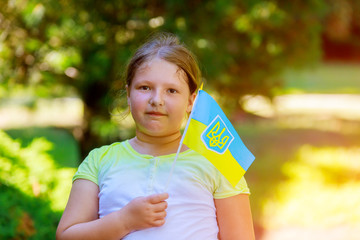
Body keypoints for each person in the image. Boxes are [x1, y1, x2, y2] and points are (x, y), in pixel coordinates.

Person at [56, 32, 255, 240]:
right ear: (128, 94)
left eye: (171, 91)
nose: (156, 99)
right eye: (145, 87)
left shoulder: (218, 161)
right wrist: (124, 221)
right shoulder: (100, 161)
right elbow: (67, 236)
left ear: (191, 101)